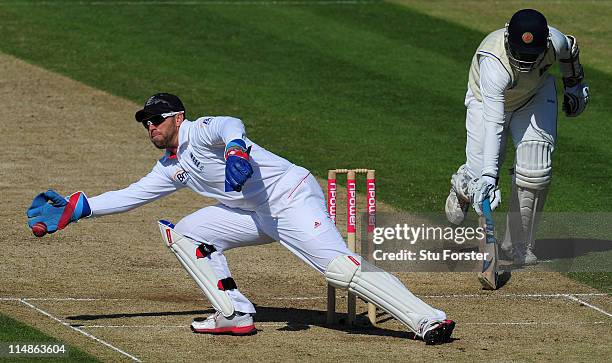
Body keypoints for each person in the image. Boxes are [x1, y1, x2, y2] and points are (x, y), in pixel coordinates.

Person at [27, 93, 455, 344]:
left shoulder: (204, 129)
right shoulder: (172, 165)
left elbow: (232, 123)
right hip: (252, 213)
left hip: (289, 198)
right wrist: (79, 208)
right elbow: (132, 196)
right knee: (185, 232)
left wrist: (235, 148)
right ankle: (233, 313)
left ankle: (427, 318)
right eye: (145, 124)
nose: (150, 128)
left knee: (338, 268)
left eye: (156, 120)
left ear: (177, 117)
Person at [444, 9, 589, 266]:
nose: (524, 61)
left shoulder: (554, 42)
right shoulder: (494, 62)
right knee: (478, 180)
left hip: (533, 96)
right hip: (485, 104)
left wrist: (574, 88)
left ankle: (518, 244)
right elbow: (495, 121)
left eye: (531, 55)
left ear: (544, 44)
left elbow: (570, 50)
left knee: (536, 167)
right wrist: (489, 175)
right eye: (520, 53)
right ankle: (462, 184)